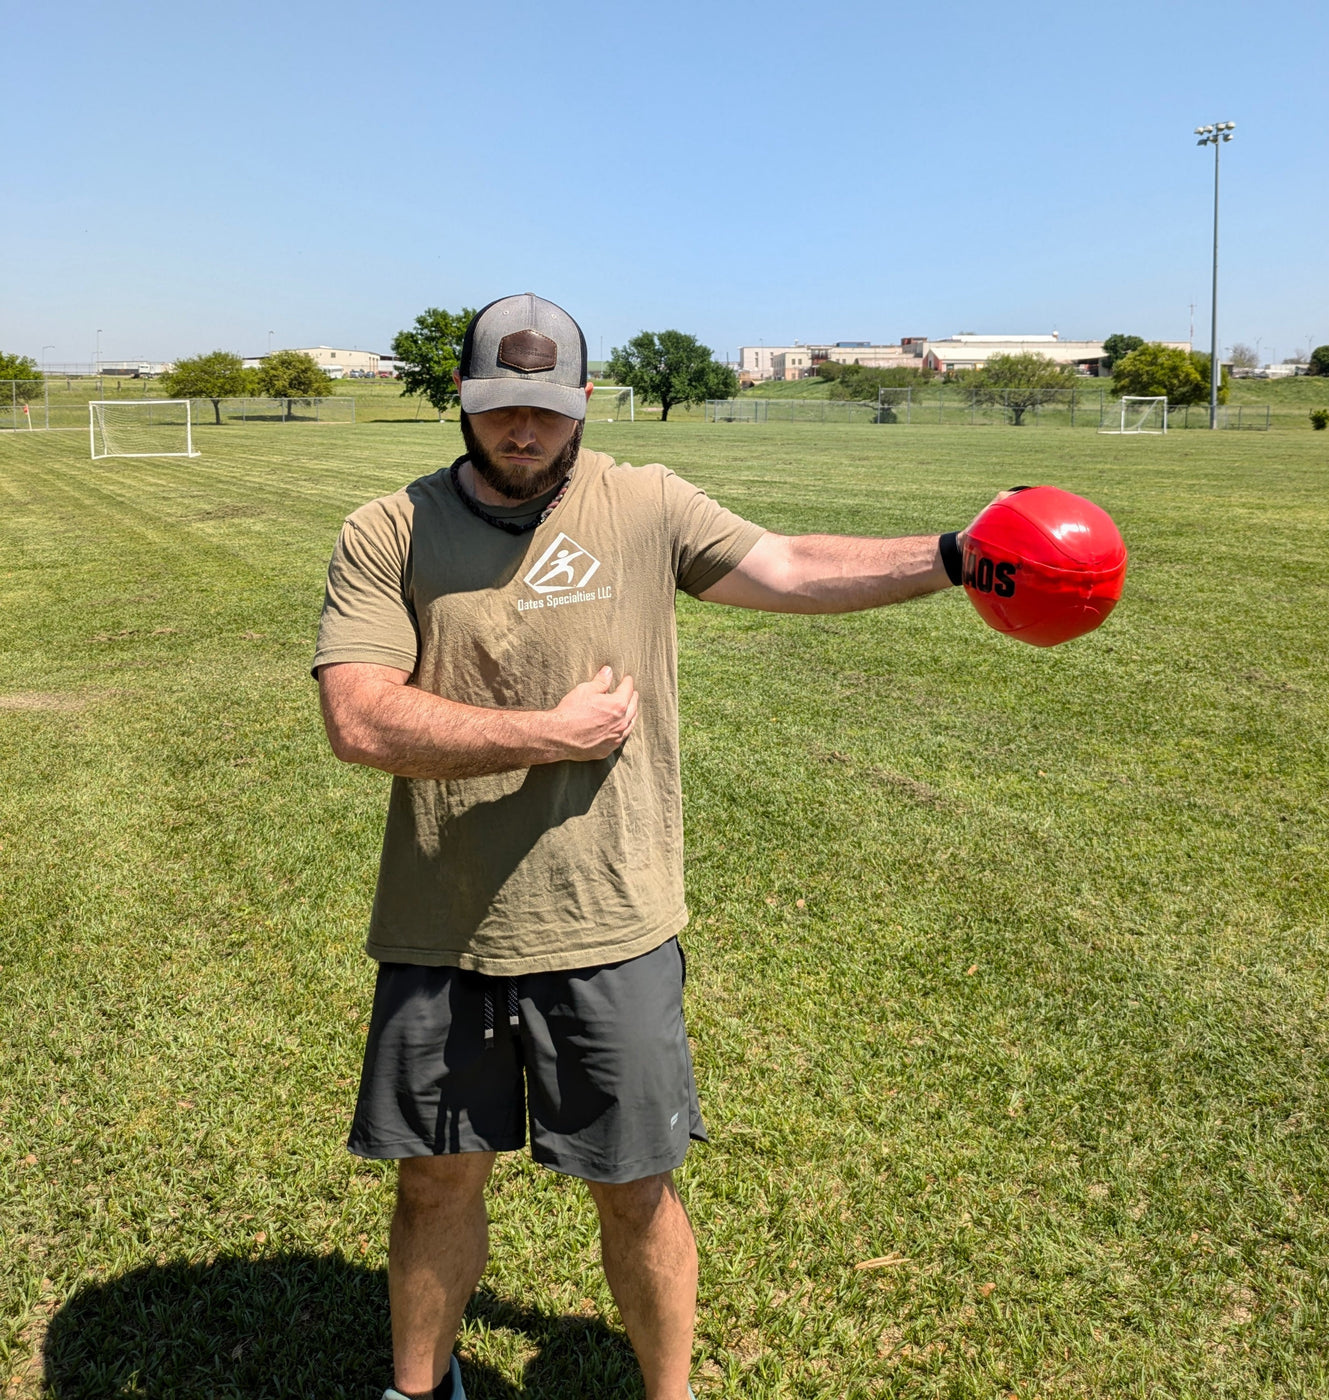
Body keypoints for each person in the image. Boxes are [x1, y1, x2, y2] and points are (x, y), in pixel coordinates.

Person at [314, 294, 996, 1400]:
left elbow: (784, 566)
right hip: (442, 923)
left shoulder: (643, 504)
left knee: (635, 1186)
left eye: (543, 407)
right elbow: (358, 717)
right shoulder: (387, 528)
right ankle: (417, 1388)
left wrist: (950, 556)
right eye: (498, 409)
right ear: (464, 401)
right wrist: (548, 734)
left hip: (610, 918)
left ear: (583, 401)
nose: (520, 431)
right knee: (434, 1183)